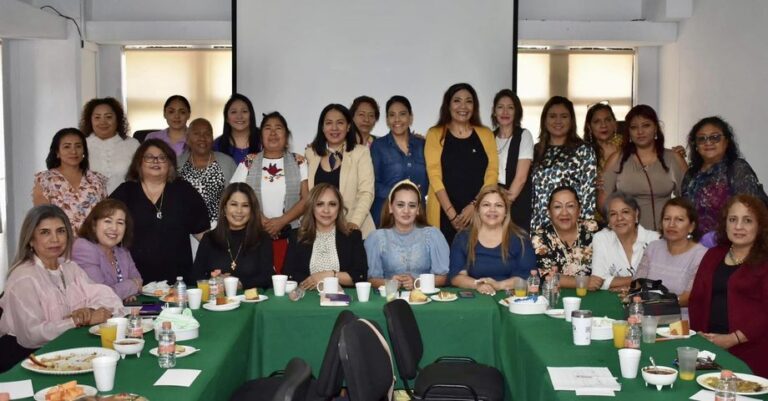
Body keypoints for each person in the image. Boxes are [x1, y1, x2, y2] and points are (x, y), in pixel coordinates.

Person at [0, 205, 123, 372]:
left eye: (61, 231)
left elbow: (110, 299)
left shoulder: (69, 267)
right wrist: (77, 321)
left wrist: (90, 310)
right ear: (30, 239)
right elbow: (32, 335)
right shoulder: (23, 277)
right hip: (24, 360)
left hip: (63, 352)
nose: (55, 239)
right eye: (45, 232)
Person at [689, 195, 768, 377]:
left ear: (760, 226)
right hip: (708, 348)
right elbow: (696, 299)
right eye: (733, 219)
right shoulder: (713, 255)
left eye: (747, 220)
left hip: (752, 351)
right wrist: (701, 336)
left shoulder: (765, 261)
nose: (738, 226)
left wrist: (734, 338)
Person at [110, 139, 210, 284]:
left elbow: (204, 235)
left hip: (178, 282)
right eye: (149, 157)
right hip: (134, 281)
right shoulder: (125, 191)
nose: (156, 161)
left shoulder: (184, 191)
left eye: (162, 157)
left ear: (170, 164)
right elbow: (105, 228)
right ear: (139, 163)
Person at [230, 112, 308, 273]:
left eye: (278, 128)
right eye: (267, 128)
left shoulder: (299, 161)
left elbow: (306, 199)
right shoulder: (249, 161)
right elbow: (235, 195)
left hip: (290, 235)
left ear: (286, 136)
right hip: (254, 235)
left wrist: (281, 221)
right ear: (261, 136)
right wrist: (262, 220)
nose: (273, 133)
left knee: (287, 278)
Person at [425, 83, 499, 243]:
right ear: (448, 105)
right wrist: (452, 215)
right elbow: (434, 175)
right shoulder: (435, 134)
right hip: (443, 214)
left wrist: (474, 205)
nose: (463, 106)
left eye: (468, 101)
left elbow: (492, 173)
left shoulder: (486, 134)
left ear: (474, 106)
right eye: (457, 100)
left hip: (478, 213)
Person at [681, 116, 768, 243]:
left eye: (715, 137)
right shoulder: (691, 174)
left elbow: (750, 212)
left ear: (726, 142)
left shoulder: (737, 168)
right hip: (693, 246)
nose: (708, 142)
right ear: (695, 145)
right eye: (701, 138)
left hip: (731, 244)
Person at [601, 105, 688, 231]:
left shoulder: (673, 158)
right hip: (627, 235)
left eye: (646, 125)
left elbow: (688, 200)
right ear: (628, 132)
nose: (640, 132)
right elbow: (603, 204)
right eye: (634, 127)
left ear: (656, 128)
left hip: (666, 234)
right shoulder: (616, 159)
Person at [449, 187, 536, 295]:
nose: (492, 210)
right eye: (486, 205)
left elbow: (528, 278)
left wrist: (499, 285)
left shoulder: (520, 238)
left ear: (506, 211)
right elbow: (456, 277)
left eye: (498, 205)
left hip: (510, 298)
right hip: (475, 297)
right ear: (478, 210)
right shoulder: (463, 237)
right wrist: (478, 285)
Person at [306, 104, 375, 238]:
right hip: (319, 231)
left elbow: (366, 192)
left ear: (348, 126)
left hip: (354, 229)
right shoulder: (310, 154)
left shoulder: (361, 153)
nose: (334, 128)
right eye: (329, 123)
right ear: (322, 127)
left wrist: (354, 223)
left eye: (340, 123)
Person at [365, 180, 449, 290]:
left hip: (424, 297)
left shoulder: (433, 235)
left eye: (412, 206)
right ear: (390, 207)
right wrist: (390, 283)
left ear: (418, 210)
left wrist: (417, 283)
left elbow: (442, 278)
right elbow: (371, 279)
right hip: (389, 298)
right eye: (400, 205)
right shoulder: (376, 238)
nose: (406, 211)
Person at [282, 184, 368, 289]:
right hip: (307, 297)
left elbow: (360, 276)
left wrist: (328, 275)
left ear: (339, 208)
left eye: (332, 204)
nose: (326, 210)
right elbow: (288, 276)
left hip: (343, 298)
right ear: (311, 207)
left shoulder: (352, 236)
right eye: (320, 204)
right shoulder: (297, 236)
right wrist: (315, 281)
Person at [530, 96, 596, 231]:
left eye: (564, 116)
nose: (558, 121)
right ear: (544, 120)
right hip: (539, 226)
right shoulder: (536, 150)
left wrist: (584, 231)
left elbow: (588, 194)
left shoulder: (583, 150)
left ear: (571, 120)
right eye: (552, 116)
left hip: (571, 226)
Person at [193, 184, 273, 289]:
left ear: (252, 210)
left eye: (245, 205)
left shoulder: (262, 238)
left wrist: (239, 283)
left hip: (252, 298)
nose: (239, 211)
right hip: (216, 297)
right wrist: (214, 281)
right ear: (224, 208)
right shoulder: (209, 238)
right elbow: (195, 276)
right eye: (234, 204)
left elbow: (267, 277)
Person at [634, 198, 706, 306]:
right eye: (667, 219)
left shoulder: (701, 255)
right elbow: (637, 283)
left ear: (691, 227)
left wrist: (658, 302)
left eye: (679, 219)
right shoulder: (653, 247)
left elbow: (689, 297)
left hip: (681, 314)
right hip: (647, 311)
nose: (671, 224)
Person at [33, 128, 107, 232]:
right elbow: (42, 218)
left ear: (84, 150)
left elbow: (105, 215)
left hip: (92, 239)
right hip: (58, 239)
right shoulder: (45, 180)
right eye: (67, 146)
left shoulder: (97, 179)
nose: (73, 151)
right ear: (57, 152)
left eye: (78, 146)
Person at [370, 96, 428, 226]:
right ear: (387, 119)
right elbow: (372, 184)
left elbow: (431, 180)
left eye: (402, 114)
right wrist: (400, 193)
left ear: (410, 117)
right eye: (392, 115)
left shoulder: (423, 145)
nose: (397, 119)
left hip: (416, 216)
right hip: (386, 216)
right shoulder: (378, 146)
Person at [72, 199, 143, 301]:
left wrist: (128, 290)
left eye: (120, 223)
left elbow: (138, 279)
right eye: (108, 221)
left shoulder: (122, 251)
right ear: (94, 225)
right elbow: (101, 295)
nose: (114, 228)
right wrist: (130, 287)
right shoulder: (83, 247)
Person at [531, 186, 599, 288]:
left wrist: (563, 280)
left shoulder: (593, 229)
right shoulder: (540, 237)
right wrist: (584, 282)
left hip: (594, 294)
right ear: (549, 211)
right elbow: (548, 278)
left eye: (570, 206)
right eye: (557, 207)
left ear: (579, 210)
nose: (564, 213)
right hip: (556, 295)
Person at [591, 192, 660, 290]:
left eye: (625, 212)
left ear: (636, 214)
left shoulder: (654, 239)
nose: (619, 218)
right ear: (608, 220)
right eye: (613, 214)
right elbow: (597, 280)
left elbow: (658, 278)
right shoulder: (601, 238)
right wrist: (637, 281)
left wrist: (621, 284)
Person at [177, 118, 236, 224]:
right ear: (188, 139)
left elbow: (238, 196)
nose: (202, 138)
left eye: (207, 134)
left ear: (212, 138)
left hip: (220, 227)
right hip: (185, 227)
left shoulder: (227, 162)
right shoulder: (176, 164)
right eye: (196, 133)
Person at [492, 89, 534, 230]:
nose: (505, 112)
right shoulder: (489, 137)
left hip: (517, 203)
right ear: (494, 112)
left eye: (510, 107)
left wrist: (502, 207)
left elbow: (521, 178)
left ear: (516, 112)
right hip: (493, 202)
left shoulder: (524, 135)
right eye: (500, 107)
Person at [80, 97, 140, 193]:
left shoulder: (132, 144)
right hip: (89, 199)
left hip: (126, 199)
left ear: (117, 119)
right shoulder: (81, 145)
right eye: (97, 117)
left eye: (108, 117)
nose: (103, 122)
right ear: (90, 120)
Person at [214, 94, 261, 165]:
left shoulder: (264, 141)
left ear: (251, 115)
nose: (239, 116)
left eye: (244, 111)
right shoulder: (217, 146)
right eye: (234, 112)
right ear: (226, 118)